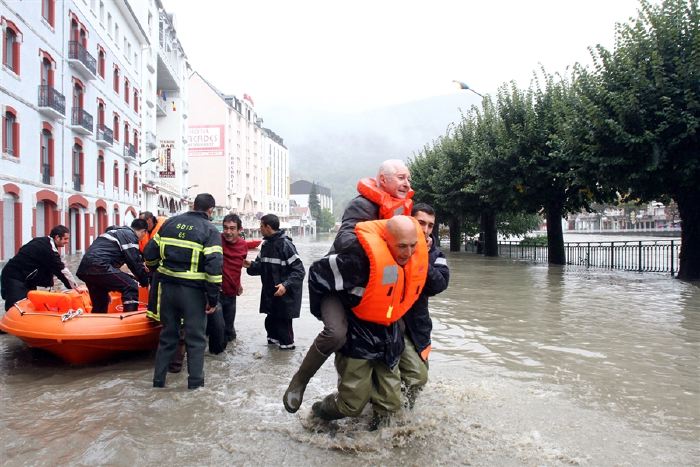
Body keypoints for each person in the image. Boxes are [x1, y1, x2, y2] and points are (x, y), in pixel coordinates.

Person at [283, 159, 413, 413]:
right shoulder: (361, 205)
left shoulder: (403, 210)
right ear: (382, 180)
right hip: (336, 285)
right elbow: (345, 239)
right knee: (336, 334)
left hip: (369, 291)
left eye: (408, 178)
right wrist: (384, 243)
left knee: (396, 327)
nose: (406, 183)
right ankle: (300, 380)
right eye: (400, 177)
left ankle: (381, 399)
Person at [308, 216, 428, 430]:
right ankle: (318, 412)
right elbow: (317, 274)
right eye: (401, 246)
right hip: (356, 337)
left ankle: (377, 439)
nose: (408, 253)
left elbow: (435, 283)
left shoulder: (418, 257)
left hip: (389, 335)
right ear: (385, 240)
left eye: (412, 246)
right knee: (351, 404)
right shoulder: (356, 261)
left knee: (391, 402)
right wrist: (329, 317)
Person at [145, 193, 222, 390]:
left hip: (167, 290)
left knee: (167, 337)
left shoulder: (170, 223)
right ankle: (195, 388)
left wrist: (155, 269)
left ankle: (158, 383)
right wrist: (212, 299)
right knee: (195, 340)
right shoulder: (210, 230)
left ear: (193, 205)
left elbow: (150, 253)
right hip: (193, 294)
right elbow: (214, 268)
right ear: (210, 210)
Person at [399, 203, 450, 408]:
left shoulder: (437, 255)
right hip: (389, 324)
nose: (426, 230)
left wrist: (420, 257)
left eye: (430, 225)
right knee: (416, 376)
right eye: (421, 223)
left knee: (418, 379)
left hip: (418, 328)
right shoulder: (393, 246)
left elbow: (439, 284)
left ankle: (403, 418)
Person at [246, 214, 305, 350]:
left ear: (268, 227)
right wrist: (250, 265)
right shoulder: (266, 245)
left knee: (284, 331)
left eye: (261, 226)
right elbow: (261, 267)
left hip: (284, 297)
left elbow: (299, 271)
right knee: (270, 326)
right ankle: (273, 361)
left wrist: (285, 285)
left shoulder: (286, 245)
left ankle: (286, 359)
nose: (259, 228)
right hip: (270, 296)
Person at [76, 220, 149, 313]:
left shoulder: (115, 233)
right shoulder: (130, 236)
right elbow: (134, 262)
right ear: (144, 231)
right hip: (100, 266)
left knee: (101, 301)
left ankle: (98, 322)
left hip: (85, 269)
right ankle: (129, 318)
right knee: (131, 286)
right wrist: (145, 281)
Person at [1, 225, 79, 311]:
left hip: (26, 279)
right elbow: (62, 270)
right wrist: (75, 288)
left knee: (30, 304)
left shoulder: (42, 241)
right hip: (15, 277)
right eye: (65, 239)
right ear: (57, 237)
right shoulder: (48, 249)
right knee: (16, 308)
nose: (67, 242)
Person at [220, 213, 249, 342]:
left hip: (231, 293)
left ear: (239, 230)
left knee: (229, 330)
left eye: (232, 228)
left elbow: (237, 267)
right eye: (225, 228)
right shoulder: (215, 241)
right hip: (214, 293)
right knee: (214, 330)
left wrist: (239, 284)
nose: (228, 232)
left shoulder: (243, 245)